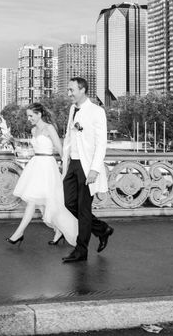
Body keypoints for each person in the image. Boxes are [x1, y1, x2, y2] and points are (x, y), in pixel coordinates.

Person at [4, 103, 78, 247]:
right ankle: (58, 231)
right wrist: (13, 141)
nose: (29, 118)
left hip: (47, 167)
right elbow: (31, 149)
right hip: (36, 165)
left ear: (39, 114)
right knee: (45, 204)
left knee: (35, 202)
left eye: (31, 115)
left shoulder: (49, 128)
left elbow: (60, 149)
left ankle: (18, 234)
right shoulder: (33, 130)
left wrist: (66, 169)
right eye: (28, 116)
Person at [61, 77, 112, 263]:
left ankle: (81, 250)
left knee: (83, 210)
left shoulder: (97, 111)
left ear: (82, 90)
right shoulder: (72, 109)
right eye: (68, 90)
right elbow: (69, 136)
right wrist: (64, 160)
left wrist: (95, 169)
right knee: (68, 203)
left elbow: (101, 143)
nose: (69, 93)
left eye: (71, 90)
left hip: (87, 165)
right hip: (72, 163)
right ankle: (101, 229)